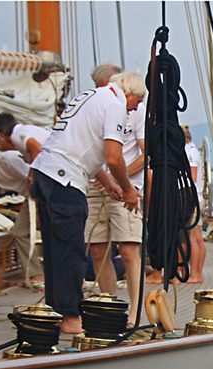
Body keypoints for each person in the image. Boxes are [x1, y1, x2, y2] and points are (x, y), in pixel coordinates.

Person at [31, 70, 144, 334]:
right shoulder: (115, 105)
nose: (136, 107)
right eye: (137, 102)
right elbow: (114, 158)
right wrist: (128, 190)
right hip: (65, 180)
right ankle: (71, 318)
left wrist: (111, 185)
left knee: (54, 250)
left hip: (45, 172)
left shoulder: (91, 96)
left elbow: (82, 148)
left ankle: (55, 312)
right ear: (130, 93)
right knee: (71, 251)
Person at [85, 66, 148, 324]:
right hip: (95, 184)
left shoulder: (137, 109)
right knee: (98, 250)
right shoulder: (98, 104)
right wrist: (103, 177)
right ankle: (110, 308)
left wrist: (117, 181)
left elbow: (147, 154)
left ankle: (135, 314)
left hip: (126, 186)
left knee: (129, 249)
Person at [0, 150, 45, 288]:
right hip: (30, 198)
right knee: (19, 232)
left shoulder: (8, 160)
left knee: (53, 232)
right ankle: (33, 274)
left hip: (44, 193)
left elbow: (37, 178)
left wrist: (37, 210)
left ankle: (49, 276)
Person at [182, 125, 206, 283]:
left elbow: (191, 177)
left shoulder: (189, 154)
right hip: (198, 198)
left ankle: (195, 274)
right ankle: (197, 273)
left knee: (191, 237)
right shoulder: (194, 151)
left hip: (192, 198)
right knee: (197, 237)